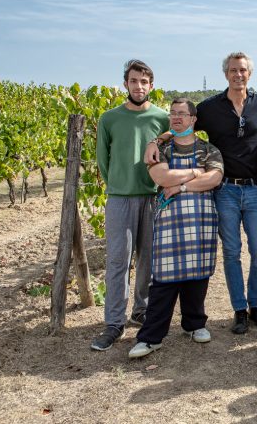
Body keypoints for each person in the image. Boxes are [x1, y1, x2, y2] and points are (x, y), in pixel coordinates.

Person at [146, 51, 257, 334]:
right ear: (226, 74)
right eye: (233, 70)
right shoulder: (210, 107)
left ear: (249, 74)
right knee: (231, 252)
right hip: (225, 190)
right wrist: (158, 139)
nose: (238, 74)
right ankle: (239, 311)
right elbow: (184, 124)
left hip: (256, 190)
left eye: (243, 70)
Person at [128, 98, 223, 359]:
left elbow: (214, 178)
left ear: (193, 119)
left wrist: (180, 186)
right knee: (164, 280)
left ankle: (195, 324)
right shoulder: (162, 149)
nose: (177, 118)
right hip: (170, 219)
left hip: (201, 220)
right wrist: (195, 171)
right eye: (173, 114)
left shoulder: (208, 148)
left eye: (182, 114)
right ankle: (151, 337)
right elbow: (161, 177)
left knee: (197, 274)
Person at [91, 60, 170, 351]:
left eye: (144, 82)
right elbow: (102, 159)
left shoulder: (162, 118)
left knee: (149, 259)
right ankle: (113, 323)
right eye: (134, 81)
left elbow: (175, 138)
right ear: (125, 84)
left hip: (153, 196)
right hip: (120, 198)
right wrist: (119, 185)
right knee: (117, 262)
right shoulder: (108, 118)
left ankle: (142, 311)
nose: (139, 86)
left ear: (152, 85)